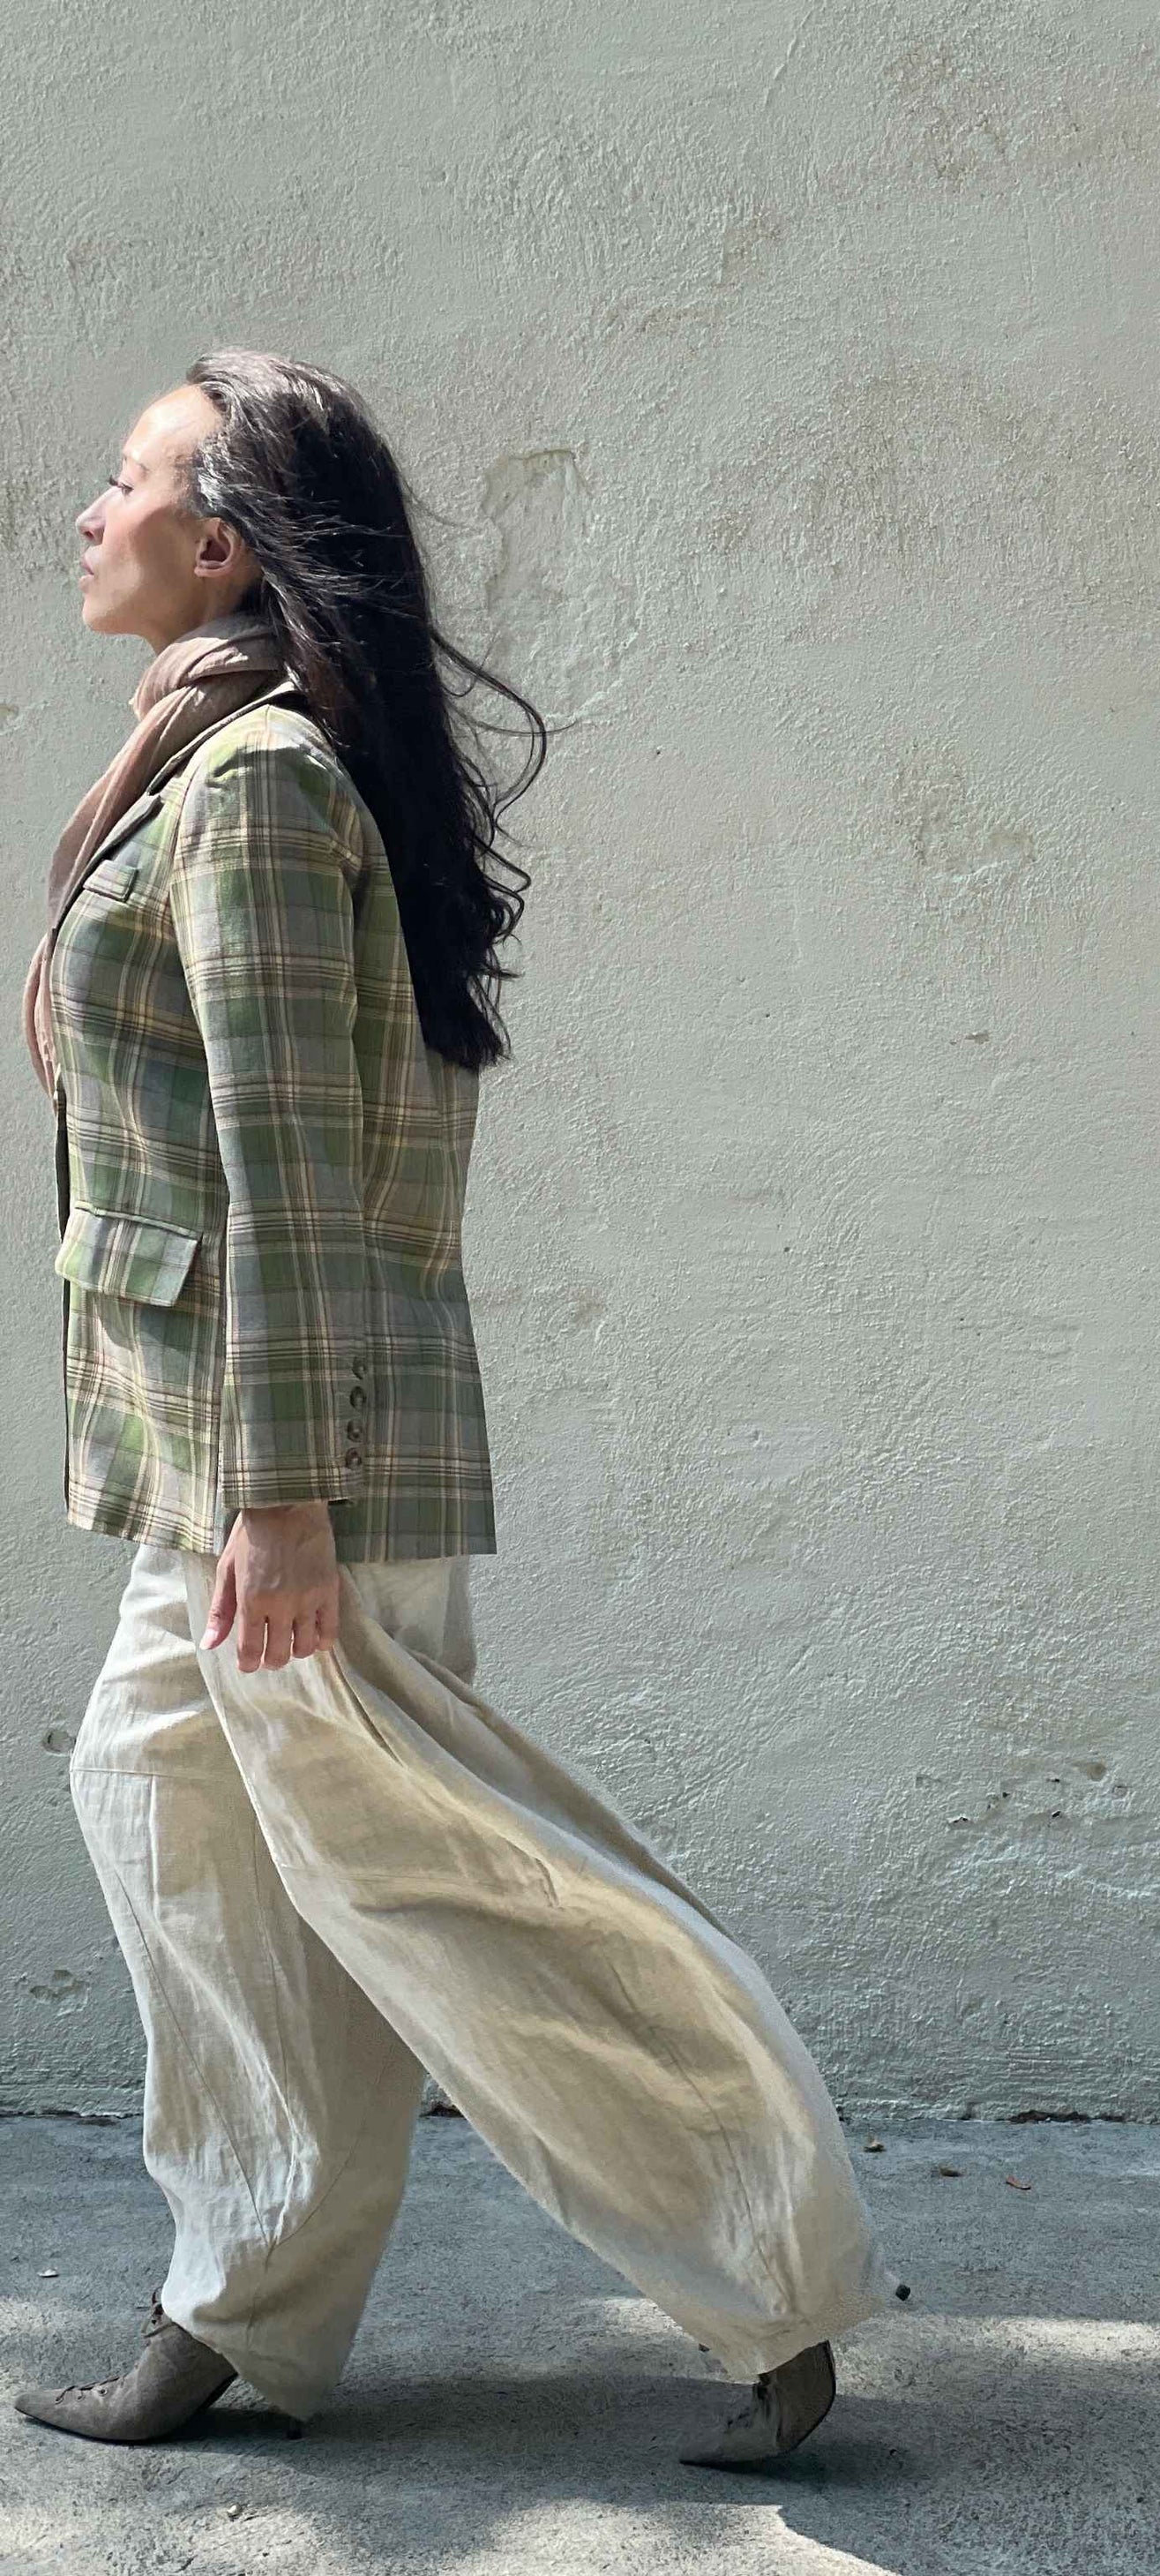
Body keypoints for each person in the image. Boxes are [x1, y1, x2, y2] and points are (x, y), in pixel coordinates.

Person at [11, 352, 900, 2460]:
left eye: (122, 481)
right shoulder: (228, 756)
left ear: (216, 545)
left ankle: (769, 2273)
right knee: (182, 1836)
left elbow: (288, 1174)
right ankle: (240, 2294)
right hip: (235, 1459)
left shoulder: (250, 789)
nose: (81, 511)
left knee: (445, 1879)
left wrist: (280, 1504)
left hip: (284, 1461)